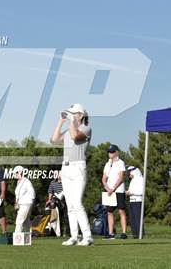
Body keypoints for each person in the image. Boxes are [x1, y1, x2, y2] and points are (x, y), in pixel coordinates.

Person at [50, 103, 93, 246]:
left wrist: (72, 122)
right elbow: (54, 140)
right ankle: (74, 236)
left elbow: (75, 136)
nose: (71, 116)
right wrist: (61, 121)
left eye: (74, 114)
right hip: (66, 168)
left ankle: (87, 236)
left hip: (78, 167)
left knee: (77, 203)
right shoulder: (69, 128)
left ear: (81, 115)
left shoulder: (85, 128)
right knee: (69, 204)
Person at [102, 144, 127, 239]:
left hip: (119, 190)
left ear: (116, 152)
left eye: (112, 152)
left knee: (121, 211)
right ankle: (111, 233)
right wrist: (108, 188)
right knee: (109, 212)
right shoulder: (107, 164)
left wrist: (113, 189)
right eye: (109, 152)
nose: (110, 153)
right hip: (109, 191)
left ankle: (124, 232)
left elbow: (121, 178)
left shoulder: (121, 162)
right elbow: (104, 179)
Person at [13, 166, 35, 233]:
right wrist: (16, 203)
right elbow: (17, 195)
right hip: (21, 204)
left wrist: (30, 203)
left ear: (21, 172)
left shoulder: (26, 181)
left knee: (19, 220)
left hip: (26, 203)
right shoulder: (18, 182)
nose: (15, 174)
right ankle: (29, 235)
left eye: (16, 172)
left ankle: (17, 236)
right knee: (25, 220)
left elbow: (32, 193)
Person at [126, 166, 144, 239]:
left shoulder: (140, 179)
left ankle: (140, 234)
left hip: (138, 201)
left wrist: (131, 193)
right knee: (132, 219)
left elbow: (141, 192)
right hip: (131, 200)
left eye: (129, 172)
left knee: (138, 218)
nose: (128, 174)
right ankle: (135, 234)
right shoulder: (133, 180)